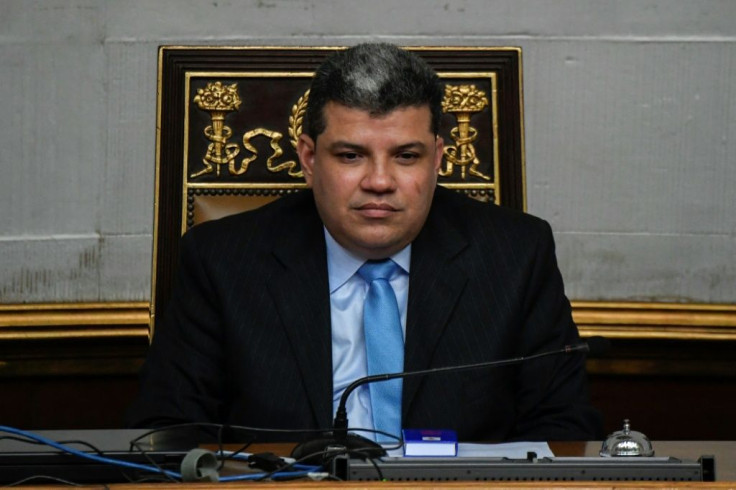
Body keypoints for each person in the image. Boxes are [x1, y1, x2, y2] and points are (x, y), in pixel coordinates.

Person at [127, 43, 602, 442]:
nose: (379, 181)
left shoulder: (516, 255)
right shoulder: (222, 260)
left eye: (406, 156)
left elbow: (564, 429)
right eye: (351, 155)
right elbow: (169, 431)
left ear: (438, 159)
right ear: (310, 159)